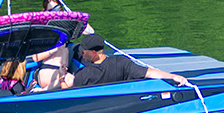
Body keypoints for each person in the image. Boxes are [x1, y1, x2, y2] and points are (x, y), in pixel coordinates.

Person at [62, 34, 192, 89]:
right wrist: (174, 76)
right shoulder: (122, 63)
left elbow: (67, 95)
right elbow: (149, 73)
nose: (81, 54)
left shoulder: (85, 74)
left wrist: (62, 79)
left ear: (93, 53)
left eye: (83, 52)